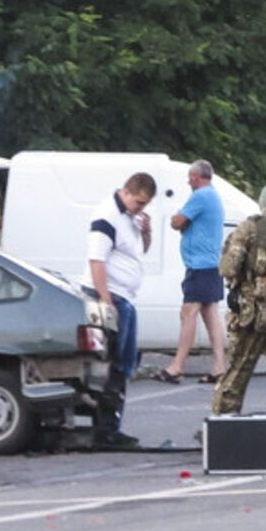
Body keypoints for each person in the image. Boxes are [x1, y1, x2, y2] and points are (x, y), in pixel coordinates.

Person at [211, 184, 266, 417]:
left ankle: (223, 423)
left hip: (251, 314)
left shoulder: (249, 228)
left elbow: (229, 268)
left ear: (262, 202)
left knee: (237, 371)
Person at [85, 171, 156, 449]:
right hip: (111, 297)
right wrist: (106, 301)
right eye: (138, 202)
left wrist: (146, 230)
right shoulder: (107, 217)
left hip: (124, 296)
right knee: (114, 364)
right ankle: (106, 430)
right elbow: (96, 261)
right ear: (126, 192)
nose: (141, 208)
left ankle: (111, 426)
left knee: (124, 363)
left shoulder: (129, 217)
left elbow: (141, 251)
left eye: (145, 204)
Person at [159, 160, 228, 384]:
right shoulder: (214, 196)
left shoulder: (200, 196)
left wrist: (180, 221)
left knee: (188, 312)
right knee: (210, 314)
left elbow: (177, 221)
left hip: (200, 265)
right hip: (210, 263)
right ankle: (219, 366)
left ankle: (176, 367)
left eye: (190, 177)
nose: (188, 181)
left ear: (198, 177)